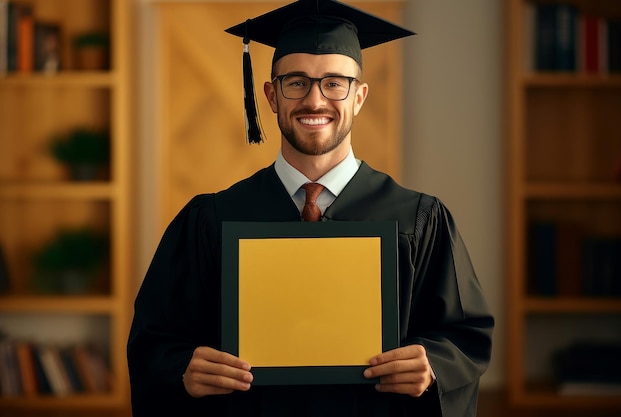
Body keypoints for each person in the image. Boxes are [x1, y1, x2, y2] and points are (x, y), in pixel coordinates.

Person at [127, 1, 494, 416]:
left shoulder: (418, 219)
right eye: (296, 82)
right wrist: (183, 371)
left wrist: (432, 366)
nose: (315, 100)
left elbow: (465, 336)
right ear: (270, 95)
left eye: (335, 83)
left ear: (359, 96)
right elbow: (154, 341)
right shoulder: (211, 220)